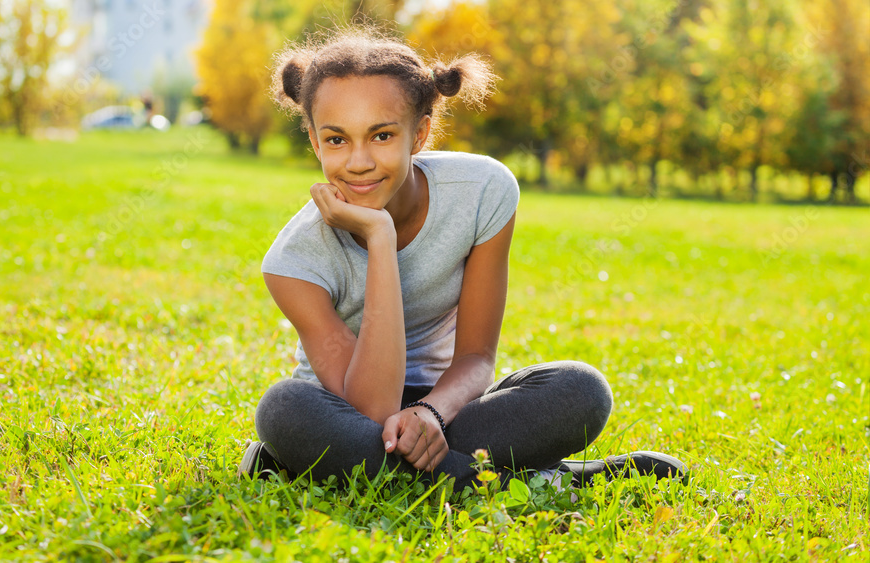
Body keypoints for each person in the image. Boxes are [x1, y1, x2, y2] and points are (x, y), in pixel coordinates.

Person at [239, 26, 687, 495]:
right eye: (336, 140)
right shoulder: (292, 261)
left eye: (382, 135)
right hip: (345, 414)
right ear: (314, 141)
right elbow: (371, 408)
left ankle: (331, 469)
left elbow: (476, 357)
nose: (358, 162)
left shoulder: (482, 192)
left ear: (421, 132)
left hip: (448, 411)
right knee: (283, 408)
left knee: (581, 389)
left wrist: (431, 412)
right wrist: (379, 237)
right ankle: (540, 480)